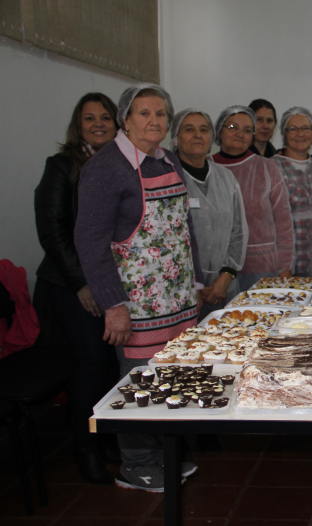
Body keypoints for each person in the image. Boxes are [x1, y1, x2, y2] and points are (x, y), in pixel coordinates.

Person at [74, 83, 204, 492]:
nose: (154, 121)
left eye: (161, 114)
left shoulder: (167, 161)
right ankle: (137, 464)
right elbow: (90, 242)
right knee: (138, 384)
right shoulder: (106, 167)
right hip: (139, 305)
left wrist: (196, 280)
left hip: (178, 301)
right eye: (144, 113)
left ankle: (163, 456)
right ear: (125, 119)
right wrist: (114, 305)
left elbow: (185, 229)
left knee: (172, 379)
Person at [34, 92, 121, 484]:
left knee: (111, 366)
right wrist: (83, 282)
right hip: (70, 284)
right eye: (90, 119)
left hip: (111, 282)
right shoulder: (62, 166)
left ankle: (105, 438)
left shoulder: (121, 164)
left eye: (106, 117)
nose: (99, 124)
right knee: (91, 363)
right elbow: (52, 231)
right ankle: (85, 451)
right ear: (78, 125)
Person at [171, 108, 248, 317]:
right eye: (189, 129)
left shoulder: (226, 178)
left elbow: (239, 231)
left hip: (225, 288)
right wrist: (191, 285)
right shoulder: (167, 177)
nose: (198, 135)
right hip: (180, 293)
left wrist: (225, 278)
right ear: (175, 138)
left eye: (204, 130)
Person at [210, 106, 294, 289]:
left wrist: (285, 268)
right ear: (219, 131)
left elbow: (284, 223)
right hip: (215, 270)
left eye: (247, 130)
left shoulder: (267, 168)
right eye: (232, 127)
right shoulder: (207, 167)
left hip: (262, 267)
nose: (240, 134)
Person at [271, 106, 312, 276]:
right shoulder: (271, 167)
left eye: (305, 128)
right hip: (286, 254)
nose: (300, 134)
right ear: (284, 134)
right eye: (293, 129)